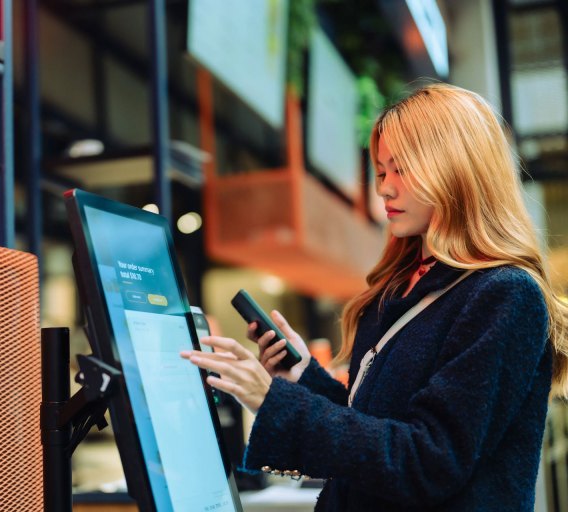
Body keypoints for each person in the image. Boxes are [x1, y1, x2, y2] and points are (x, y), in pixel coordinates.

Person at [182, 83, 568, 511]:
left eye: (401, 169)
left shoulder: (505, 295)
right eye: (382, 171)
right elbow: (373, 432)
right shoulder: (401, 285)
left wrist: (273, 402)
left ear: (457, 168)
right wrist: (302, 378)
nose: (384, 188)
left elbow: (429, 461)